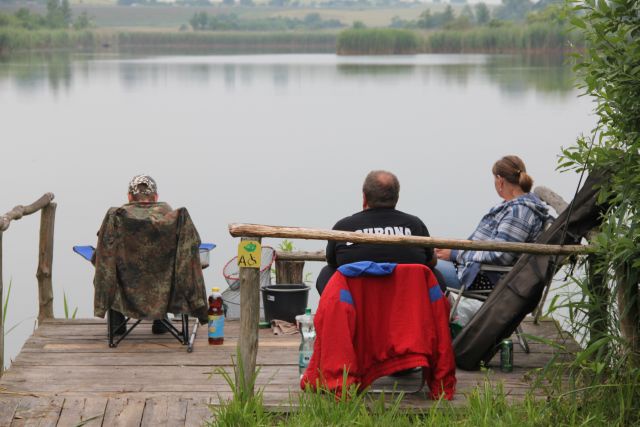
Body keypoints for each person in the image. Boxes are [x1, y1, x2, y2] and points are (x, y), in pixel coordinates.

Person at [93, 175, 208, 335]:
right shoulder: (169, 213)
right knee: (167, 267)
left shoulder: (118, 216)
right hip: (163, 286)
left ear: (129, 197)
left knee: (112, 267)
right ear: (155, 197)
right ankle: (161, 323)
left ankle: (117, 327)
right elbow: (186, 250)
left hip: (129, 286)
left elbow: (104, 254)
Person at [434, 155, 551, 290]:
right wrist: (455, 251)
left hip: (486, 278)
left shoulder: (519, 212)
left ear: (500, 181)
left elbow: (500, 255)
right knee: (425, 260)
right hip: (477, 270)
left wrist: (455, 254)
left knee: (423, 266)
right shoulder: (517, 207)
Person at [316, 170, 437, 295]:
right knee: (434, 273)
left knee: (327, 273)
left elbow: (332, 262)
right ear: (396, 198)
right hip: (405, 300)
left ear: (364, 198)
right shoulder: (415, 224)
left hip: (358, 303)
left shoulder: (343, 227)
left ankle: (339, 313)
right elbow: (430, 261)